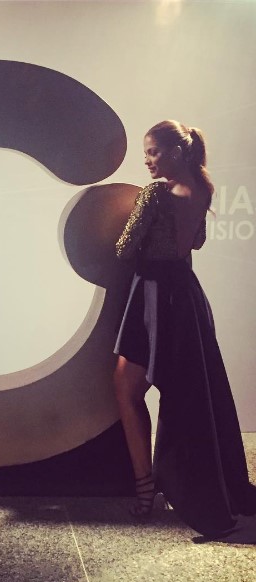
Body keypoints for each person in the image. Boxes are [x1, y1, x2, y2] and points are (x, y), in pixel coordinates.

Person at [113, 120, 256, 542]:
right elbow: (196, 244)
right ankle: (160, 487)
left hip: (153, 296)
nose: (147, 160)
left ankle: (145, 493)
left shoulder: (155, 195)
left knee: (126, 388)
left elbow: (124, 248)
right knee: (182, 397)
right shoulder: (203, 190)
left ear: (176, 151)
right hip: (186, 299)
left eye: (153, 151)